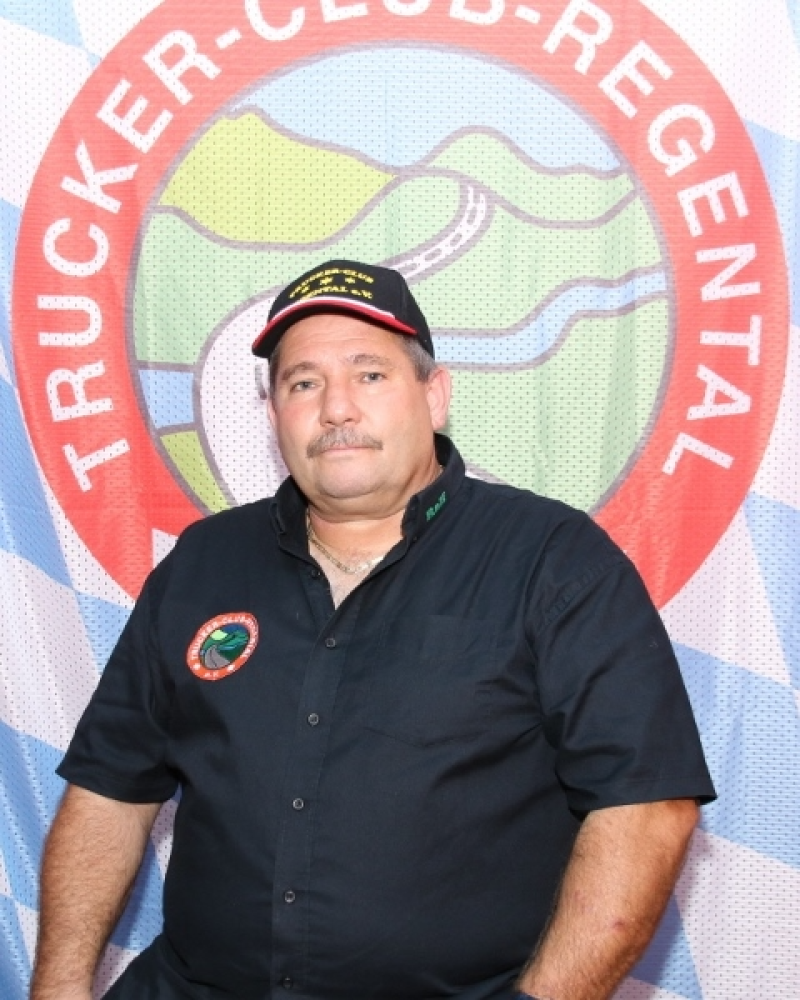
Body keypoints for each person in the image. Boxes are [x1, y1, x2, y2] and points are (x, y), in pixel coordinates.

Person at [31, 260, 715, 1000]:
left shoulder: (553, 561)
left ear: (434, 395)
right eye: (303, 383)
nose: (336, 409)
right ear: (273, 414)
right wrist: (58, 989)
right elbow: (109, 790)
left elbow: (645, 808)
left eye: (369, 375)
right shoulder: (204, 562)